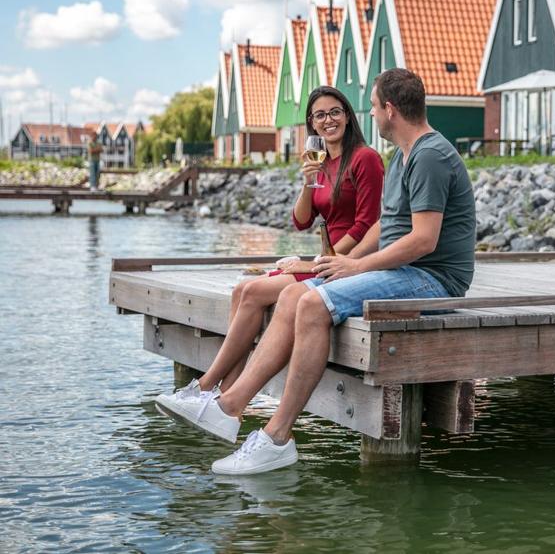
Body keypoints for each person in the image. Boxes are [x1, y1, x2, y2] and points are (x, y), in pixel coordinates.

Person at [158, 68, 476, 475]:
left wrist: (356, 264)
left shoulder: (430, 155)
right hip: (406, 269)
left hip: (432, 280)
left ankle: (276, 438)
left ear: (390, 110)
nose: (373, 115)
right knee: (292, 294)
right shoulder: (403, 155)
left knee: (311, 304)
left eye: (375, 107)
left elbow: (423, 240)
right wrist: (343, 264)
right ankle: (229, 406)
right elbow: (386, 226)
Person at [155, 86, 383, 408]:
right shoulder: (323, 164)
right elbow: (301, 221)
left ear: (347, 115)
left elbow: (366, 225)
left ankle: (206, 385)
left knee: (252, 293)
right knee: (242, 290)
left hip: (348, 263)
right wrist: (307, 184)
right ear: (312, 124)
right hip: (326, 258)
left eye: (335, 112)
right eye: (320, 115)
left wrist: (318, 263)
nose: (328, 120)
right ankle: (225, 395)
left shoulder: (365, 159)